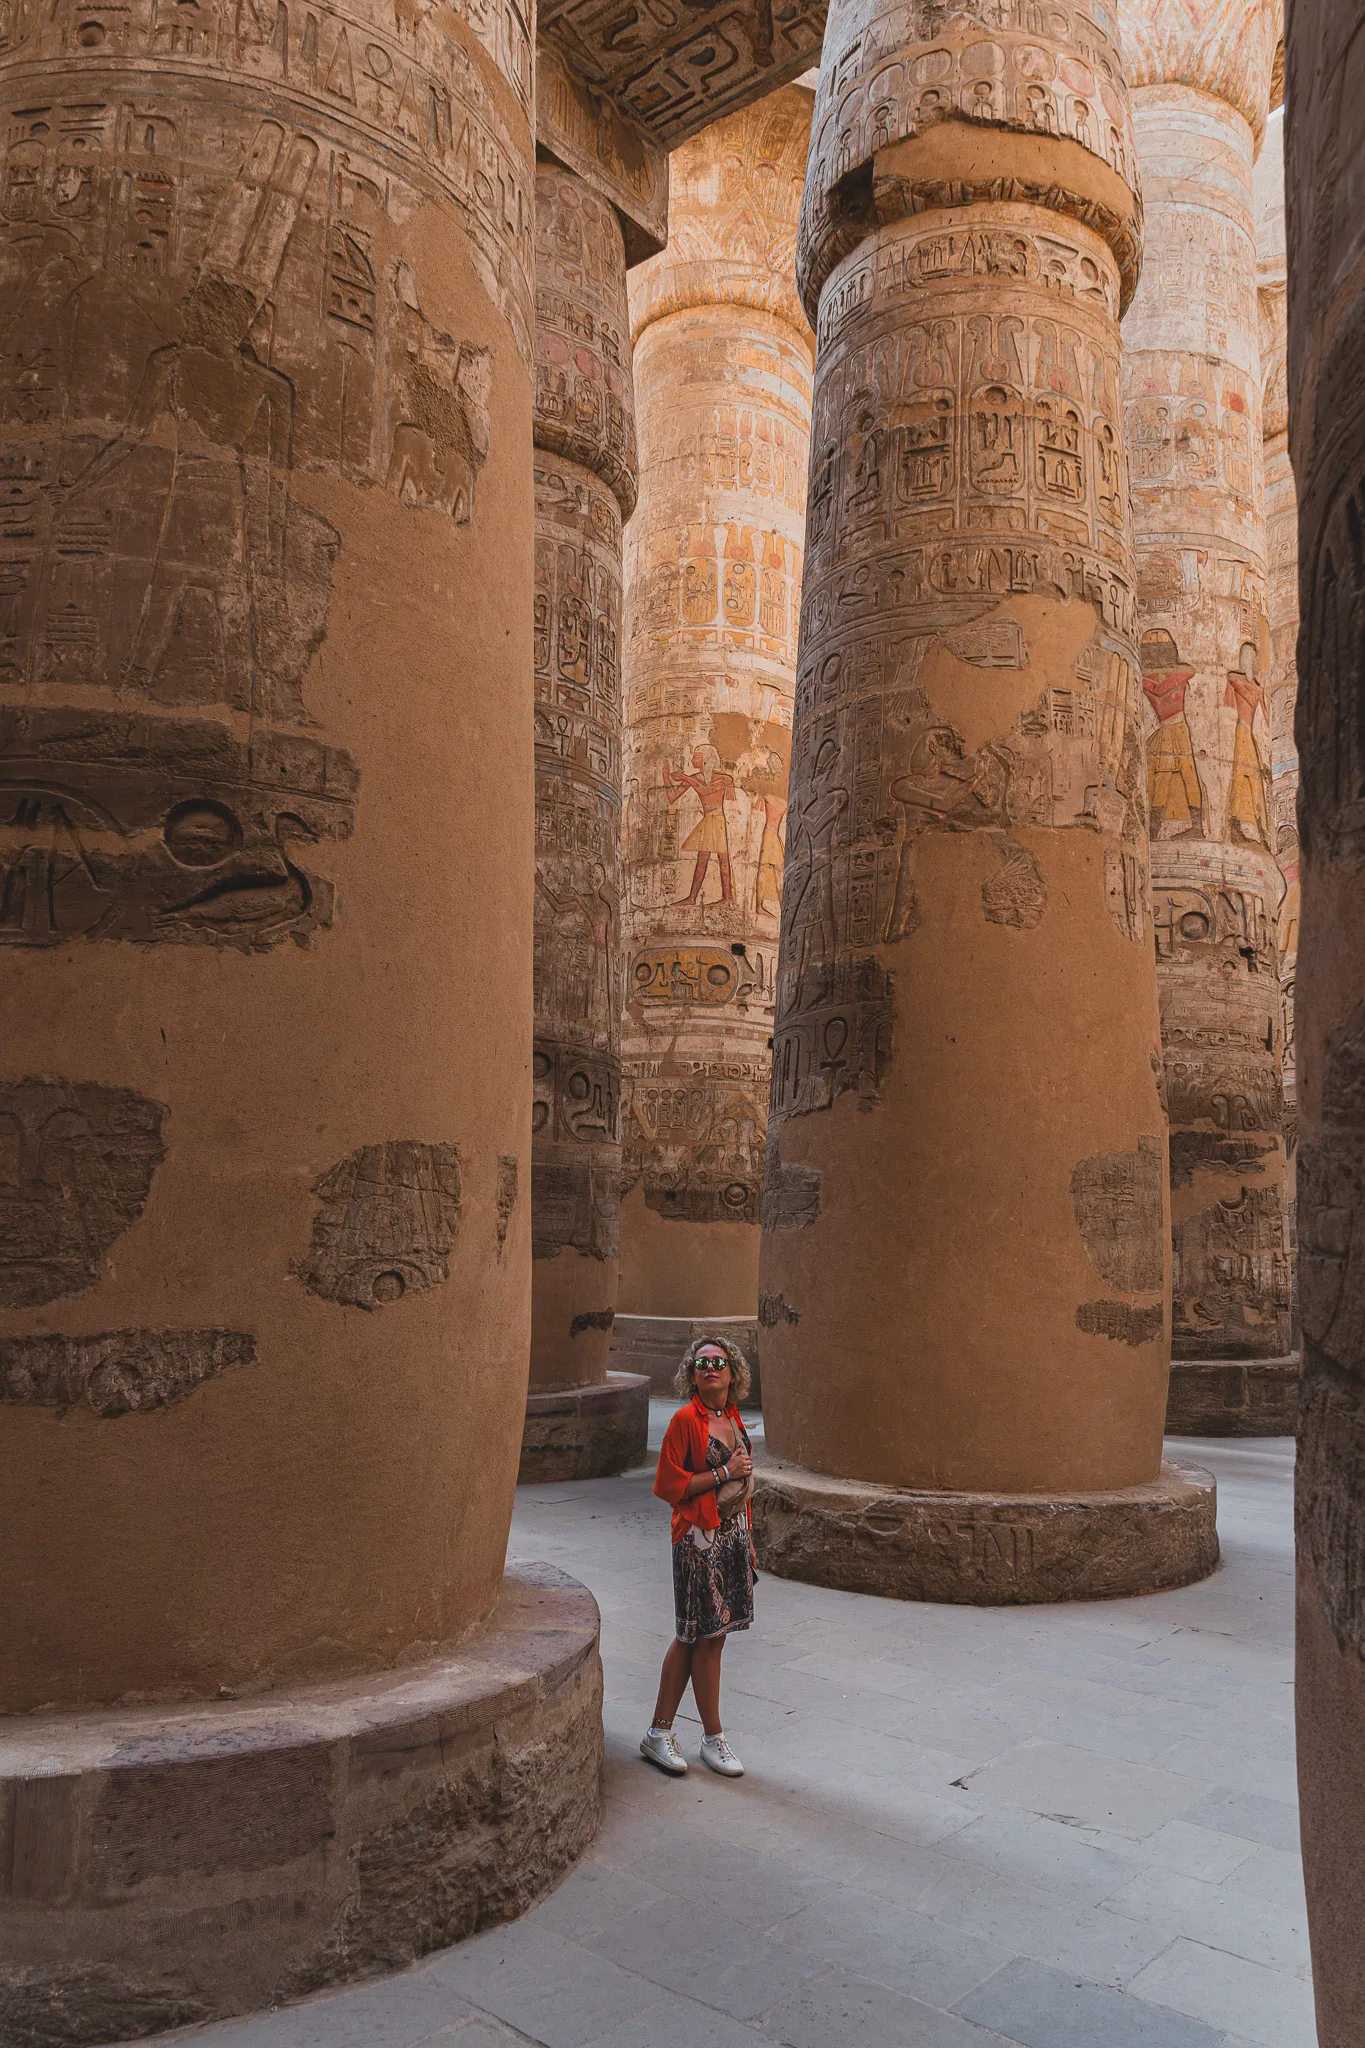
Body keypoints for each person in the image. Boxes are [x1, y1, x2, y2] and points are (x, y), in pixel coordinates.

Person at [640, 1335, 756, 1778]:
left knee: (713, 1637)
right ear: (691, 1374)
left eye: (719, 1362)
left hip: (732, 1539)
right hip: (698, 1541)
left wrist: (749, 1542)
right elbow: (669, 1486)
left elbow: (743, 1488)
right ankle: (684, 1734)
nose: (710, 1368)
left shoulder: (731, 1415)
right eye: (701, 1362)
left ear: (732, 1373)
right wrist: (723, 1471)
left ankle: (694, 1737)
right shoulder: (685, 1420)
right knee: (694, 1636)